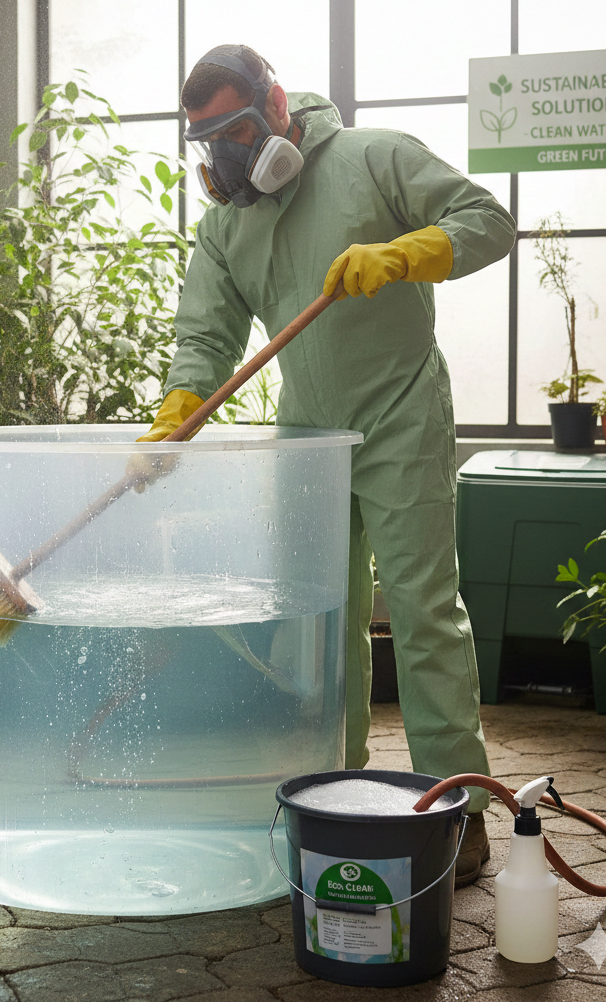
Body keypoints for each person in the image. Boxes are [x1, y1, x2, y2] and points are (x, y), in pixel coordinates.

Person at [136, 45, 516, 886]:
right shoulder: (226, 224)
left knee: (422, 611)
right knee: (319, 618)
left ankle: (461, 810)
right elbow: (205, 334)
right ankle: (332, 794)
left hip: (401, 412)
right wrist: (178, 406)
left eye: (236, 130)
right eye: (207, 141)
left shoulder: (375, 158)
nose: (226, 155)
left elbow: (489, 219)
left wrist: (407, 252)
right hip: (308, 432)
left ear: (276, 105)